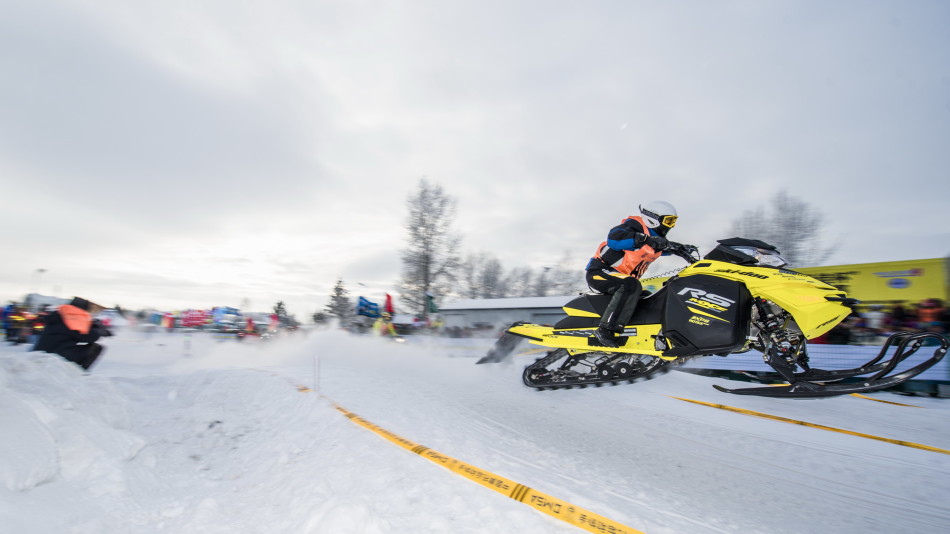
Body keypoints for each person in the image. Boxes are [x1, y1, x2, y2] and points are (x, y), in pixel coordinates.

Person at [585, 200, 679, 347]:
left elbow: (663, 248)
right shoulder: (632, 227)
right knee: (631, 285)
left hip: (621, 280)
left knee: (648, 297)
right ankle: (605, 330)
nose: (670, 226)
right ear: (653, 218)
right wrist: (643, 239)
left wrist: (681, 248)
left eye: (673, 222)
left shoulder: (655, 239)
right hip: (600, 273)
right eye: (668, 221)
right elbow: (614, 239)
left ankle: (640, 333)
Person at [32, 297, 112, 371]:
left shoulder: (60, 314)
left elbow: (69, 330)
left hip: (39, 353)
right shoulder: (75, 318)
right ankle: (78, 374)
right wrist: (96, 329)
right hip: (55, 357)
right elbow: (91, 337)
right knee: (96, 347)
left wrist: (90, 325)